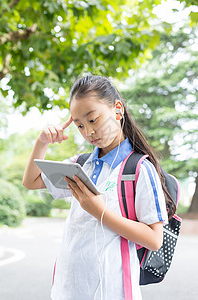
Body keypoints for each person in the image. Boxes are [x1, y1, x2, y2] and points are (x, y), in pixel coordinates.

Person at [22, 75, 176, 300]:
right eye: (80, 125)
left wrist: (100, 212)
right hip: (67, 288)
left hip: (113, 291)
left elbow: (154, 238)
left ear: (117, 110)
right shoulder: (80, 164)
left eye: (93, 120)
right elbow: (31, 181)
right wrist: (42, 142)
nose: (88, 132)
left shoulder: (139, 169)